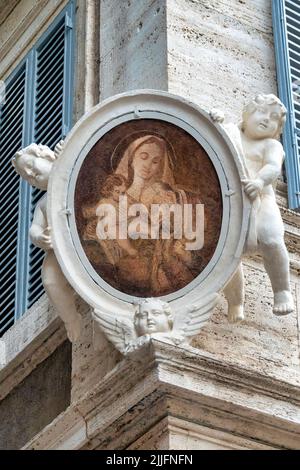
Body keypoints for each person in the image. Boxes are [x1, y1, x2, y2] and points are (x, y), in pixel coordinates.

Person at [213, 94, 294, 322]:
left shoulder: (271, 145)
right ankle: (236, 301)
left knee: (271, 239)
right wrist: (216, 119)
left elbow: (273, 167)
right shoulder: (231, 132)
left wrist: (258, 181)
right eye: (262, 113)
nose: (267, 120)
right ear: (247, 114)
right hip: (231, 203)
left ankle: (281, 290)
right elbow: (213, 136)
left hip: (261, 199)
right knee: (228, 255)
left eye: (274, 119)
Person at [12, 142, 82, 342]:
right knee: (50, 280)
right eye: (27, 177)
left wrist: (68, 149)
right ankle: (71, 319)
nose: (31, 176)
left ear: (48, 157)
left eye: (33, 168)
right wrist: (39, 237)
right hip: (59, 245)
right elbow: (35, 228)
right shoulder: (43, 203)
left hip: (89, 235)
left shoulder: (73, 173)